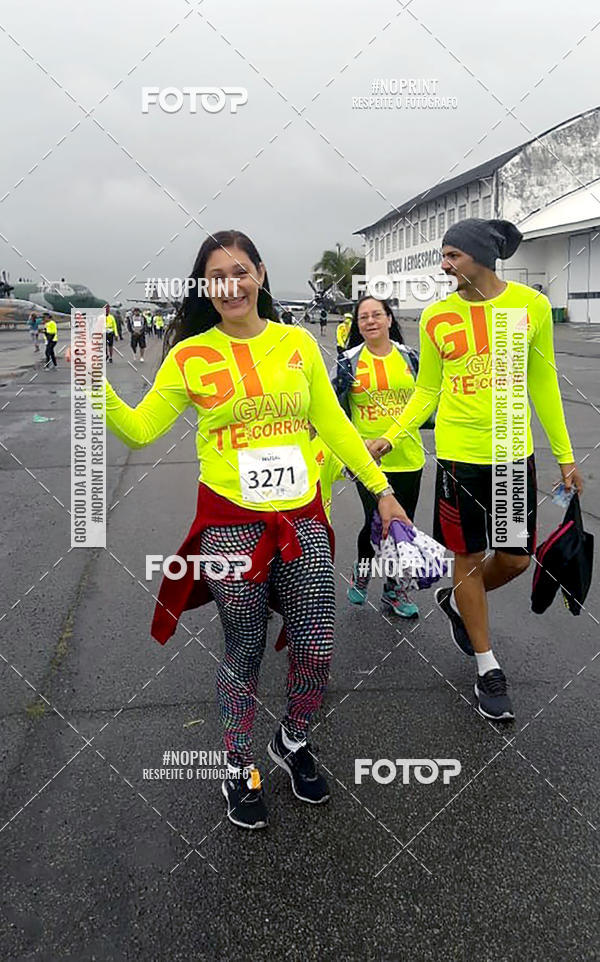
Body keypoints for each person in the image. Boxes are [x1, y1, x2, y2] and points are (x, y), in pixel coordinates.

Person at [99, 230, 409, 830]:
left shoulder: (297, 345)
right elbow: (139, 430)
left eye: (241, 271)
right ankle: (237, 761)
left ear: (261, 275)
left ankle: (292, 741)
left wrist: (383, 492)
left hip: (302, 521)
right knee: (242, 648)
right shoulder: (190, 355)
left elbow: (336, 426)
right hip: (232, 528)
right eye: (217, 276)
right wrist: (93, 385)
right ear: (204, 287)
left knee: (317, 645)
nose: (231, 284)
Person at [369, 218, 583, 721]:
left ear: (482, 257)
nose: (444, 266)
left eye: (452, 256)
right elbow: (427, 391)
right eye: (443, 256)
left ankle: (458, 600)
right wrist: (391, 434)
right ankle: (487, 666)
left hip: (513, 452)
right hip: (458, 456)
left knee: (514, 560)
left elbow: (544, 385)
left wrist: (566, 456)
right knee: (466, 555)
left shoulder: (529, 308)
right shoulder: (437, 317)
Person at [335, 296, 425, 618]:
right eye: (363, 317)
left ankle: (393, 590)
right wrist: (354, 448)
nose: (370, 321)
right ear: (357, 325)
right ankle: (363, 570)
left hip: (409, 455)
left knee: (402, 525)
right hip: (367, 458)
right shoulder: (348, 361)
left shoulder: (410, 358)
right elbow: (336, 412)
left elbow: (425, 402)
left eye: (377, 315)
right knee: (376, 520)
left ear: (389, 319)